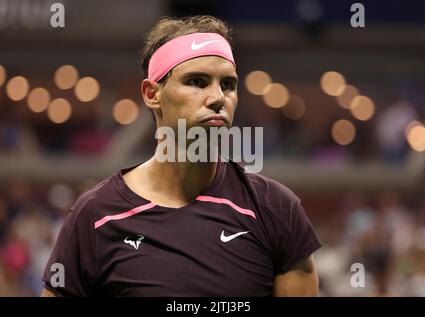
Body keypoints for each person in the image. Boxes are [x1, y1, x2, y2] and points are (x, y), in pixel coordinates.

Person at [41, 15, 321, 297]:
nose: (217, 98)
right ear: (152, 94)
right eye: (197, 81)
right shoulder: (95, 216)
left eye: (228, 85)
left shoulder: (277, 210)